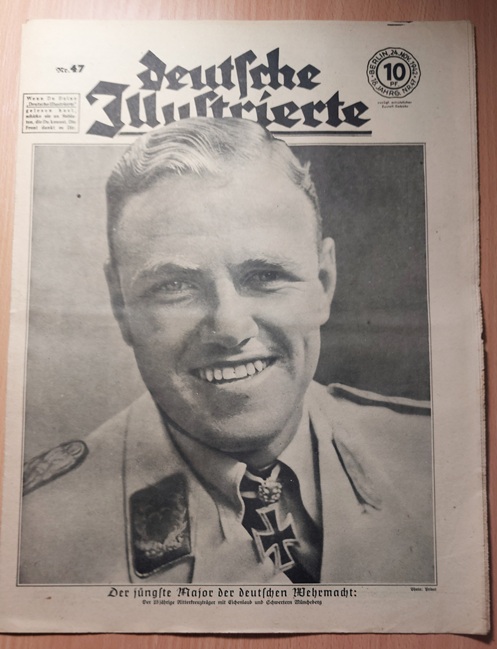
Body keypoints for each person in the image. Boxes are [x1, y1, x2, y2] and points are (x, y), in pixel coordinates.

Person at [20, 117, 434, 585]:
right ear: (121, 306)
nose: (230, 327)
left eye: (265, 276)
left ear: (323, 283)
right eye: (175, 286)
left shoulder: (434, 458)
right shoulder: (34, 536)